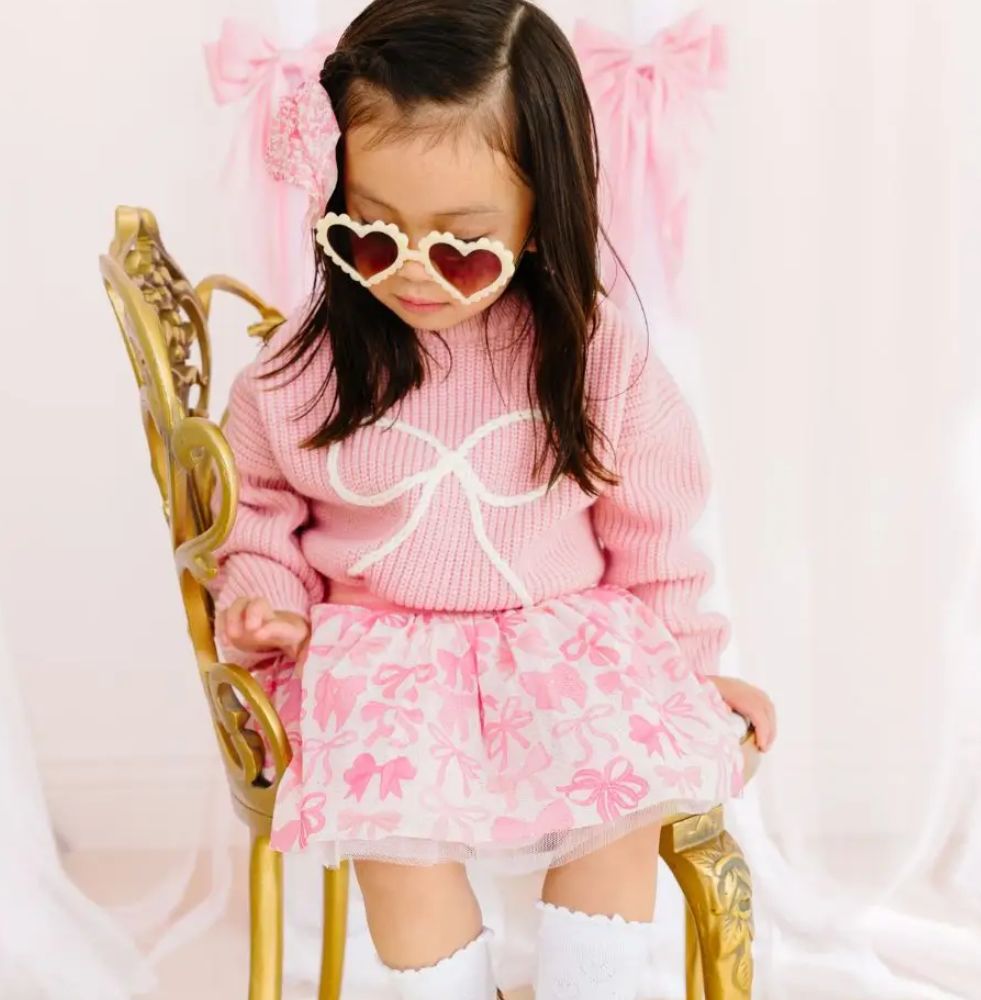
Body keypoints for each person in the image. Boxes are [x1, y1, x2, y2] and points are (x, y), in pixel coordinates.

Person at [212, 1, 777, 997]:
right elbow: (259, 513)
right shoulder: (297, 375)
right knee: (399, 839)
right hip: (384, 657)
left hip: (566, 644)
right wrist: (265, 600)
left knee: (625, 794)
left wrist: (689, 667)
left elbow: (655, 534)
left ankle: (586, 983)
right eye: (372, 238)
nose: (416, 276)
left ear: (538, 213)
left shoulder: (592, 357)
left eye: (463, 247)